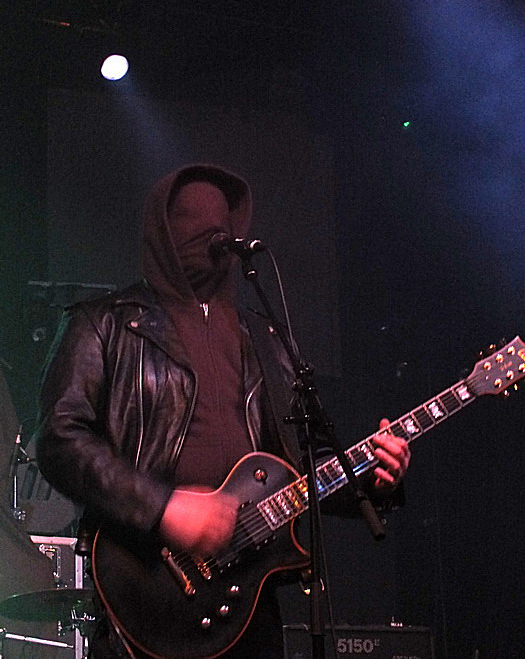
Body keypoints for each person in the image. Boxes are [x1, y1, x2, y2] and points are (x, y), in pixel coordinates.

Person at [36, 164, 410, 659]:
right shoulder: (104, 323)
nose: (212, 233)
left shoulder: (265, 337)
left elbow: (303, 468)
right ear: (163, 231)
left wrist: (371, 477)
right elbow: (60, 438)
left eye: (221, 222)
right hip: (147, 580)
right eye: (192, 220)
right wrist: (163, 507)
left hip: (247, 602)